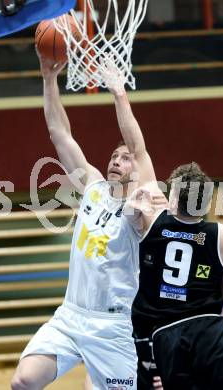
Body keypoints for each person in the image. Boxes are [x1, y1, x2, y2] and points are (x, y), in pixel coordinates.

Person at [99, 59, 223, 390]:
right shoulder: (222, 235)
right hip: (209, 329)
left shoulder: (154, 220)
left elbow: (138, 149)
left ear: (172, 200)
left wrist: (119, 92)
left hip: (166, 337)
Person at [11, 53, 141, 390]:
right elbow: (60, 133)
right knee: (23, 381)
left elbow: (140, 152)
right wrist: (49, 79)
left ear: (137, 169)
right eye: (114, 156)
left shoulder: (141, 208)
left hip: (113, 327)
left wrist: (119, 94)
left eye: (125, 159)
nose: (117, 161)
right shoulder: (94, 187)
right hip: (71, 315)